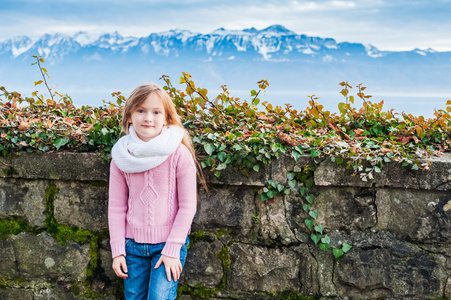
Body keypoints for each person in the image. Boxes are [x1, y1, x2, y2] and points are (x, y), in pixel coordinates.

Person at [108, 83, 203, 300]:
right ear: (130, 116)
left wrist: (172, 249)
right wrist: (118, 251)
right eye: (141, 110)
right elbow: (116, 208)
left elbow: (188, 207)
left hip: (168, 245)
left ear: (167, 118)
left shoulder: (179, 154)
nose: (148, 118)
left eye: (156, 112)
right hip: (131, 247)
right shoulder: (121, 157)